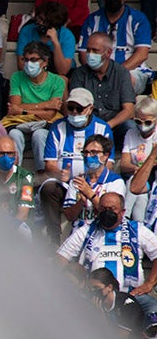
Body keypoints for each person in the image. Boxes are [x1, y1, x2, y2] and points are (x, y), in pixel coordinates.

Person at [39, 88, 114, 244]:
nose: (74, 112)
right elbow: (50, 163)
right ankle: (54, 237)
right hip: (64, 183)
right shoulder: (57, 127)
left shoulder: (103, 128)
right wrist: (61, 175)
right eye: (70, 108)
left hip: (93, 182)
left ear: (90, 108)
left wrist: (87, 182)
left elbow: (109, 165)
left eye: (79, 109)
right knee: (48, 188)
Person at [56, 191, 157, 297]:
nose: (107, 212)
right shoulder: (86, 230)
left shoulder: (137, 230)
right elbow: (61, 256)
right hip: (92, 297)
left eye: (112, 209)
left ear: (122, 212)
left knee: (153, 309)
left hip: (132, 296)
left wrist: (149, 283)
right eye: (103, 209)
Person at [79, 0, 152, 96]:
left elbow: (142, 54)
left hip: (131, 71)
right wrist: (100, 73)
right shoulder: (92, 20)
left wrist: (114, 72)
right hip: (94, 71)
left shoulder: (139, 19)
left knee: (125, 80)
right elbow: (83, 54)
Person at [5, 41, 67, 172]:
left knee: (39, 135)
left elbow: (50, 115)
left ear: (45, 62)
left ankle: (41, 176)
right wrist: (46, 105)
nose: (28, 64)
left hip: (44, 125)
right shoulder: (17, 77)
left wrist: (22, 110)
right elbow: (14, 108)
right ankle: (14, 175)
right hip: (19, 124)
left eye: (33, 60)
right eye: (26, 60)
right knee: (14, 134)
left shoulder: (57, 81)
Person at [70, 31, 137, 150]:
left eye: (95, 51)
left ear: (108, 52)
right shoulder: (79, 74)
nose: (90, 54)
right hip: (87, 128)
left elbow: (129, 110)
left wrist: (107, 126)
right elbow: (75, 107)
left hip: (114, 127)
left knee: (130, 126)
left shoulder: (121, 73)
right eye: (88, 50)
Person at [61, 134, 126, 231]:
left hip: (102, 233)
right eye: (86, 152)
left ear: (105, 155)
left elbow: (112, 216)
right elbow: (69, 216)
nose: (88, 156)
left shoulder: (115, 182)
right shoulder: (77, 181)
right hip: (78, 233)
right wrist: (81, 202)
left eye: (93, 152)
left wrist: (89, 194)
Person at [0, 135, 36, 231]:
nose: (6, 158)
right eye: (1, 154)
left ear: (15, 155)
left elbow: (23, 214)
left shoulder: (25, 177)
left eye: (10, 153)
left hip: (18, 226)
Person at [16, 1, 76, 77]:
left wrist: (56, 43)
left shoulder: (67, 35)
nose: (38, 21)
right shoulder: (27, 30)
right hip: (33, 72)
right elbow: (21, 66)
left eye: (43, 20)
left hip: (59, 74)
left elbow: (62, 71)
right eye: (38, 17)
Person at [122, 99, 157, 222]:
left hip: (151, 177)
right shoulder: (131, 133)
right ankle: (138, 224)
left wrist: (143, 170)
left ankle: (125, 214)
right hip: (134, 176)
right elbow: (124, 164)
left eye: (147, 122)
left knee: (135, 183)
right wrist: (139, 169)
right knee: (140, 195)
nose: (142, 125)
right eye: (138, 121)